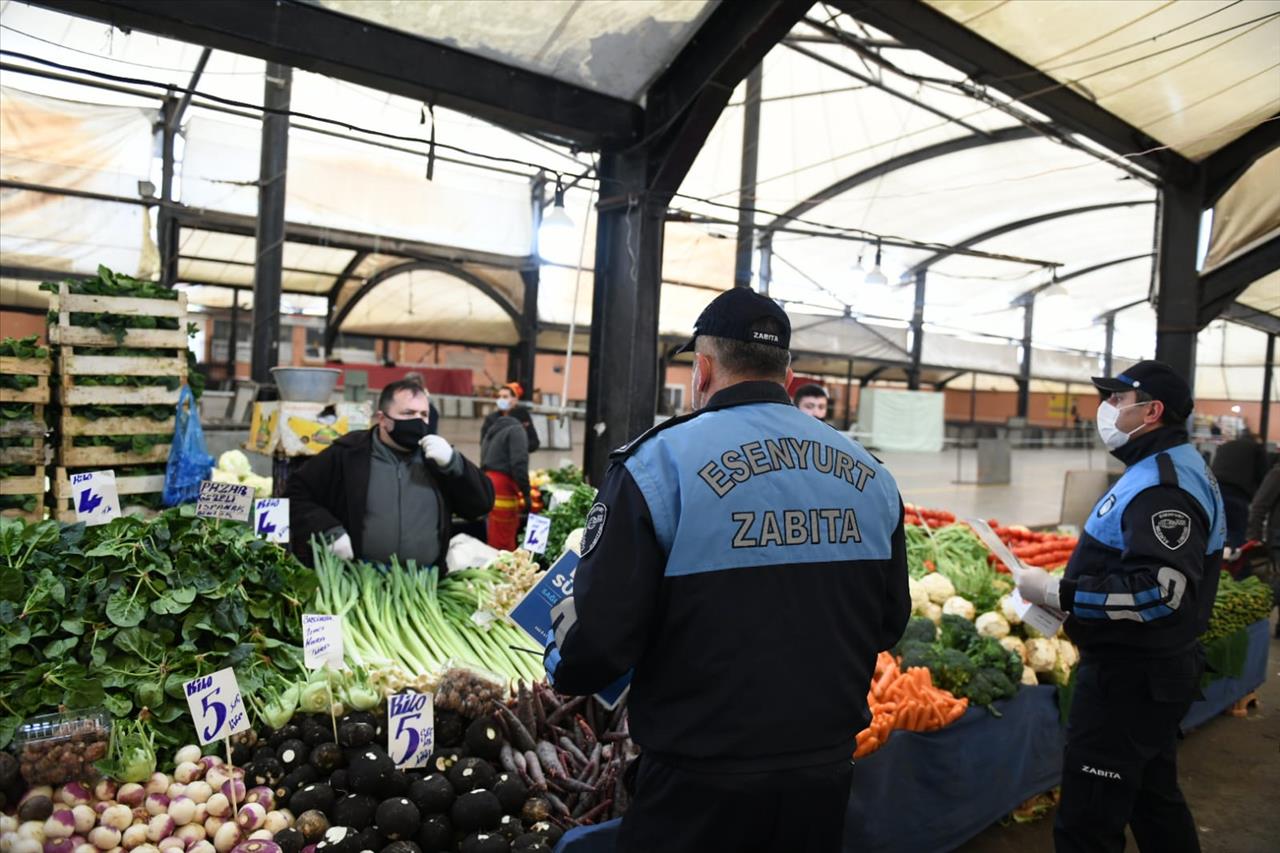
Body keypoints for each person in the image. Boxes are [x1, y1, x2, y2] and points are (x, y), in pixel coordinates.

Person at [543, 288, 910, 853]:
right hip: (824, 775)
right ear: (788, 375)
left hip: (700, 781)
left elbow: (599, 644)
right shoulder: (872, 476)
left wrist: (563, 654)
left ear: (704, 369)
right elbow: (888, 624)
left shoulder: (657, 464)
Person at [1014, 360, 1225, 853]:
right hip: (1149, 674)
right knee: (1153, 801)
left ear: (1151, 411)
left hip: (1130, 680)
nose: (1105, 409)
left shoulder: (1163, 486)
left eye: (1116, 399)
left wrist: (1059, 593)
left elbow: (1160, 593)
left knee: (1089, 821)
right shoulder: (1164, 467)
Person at [286, 377, 494, 569]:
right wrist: (328, 531)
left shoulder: (437, 458)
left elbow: (481, 505)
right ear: (383, 419)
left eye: (423, 415)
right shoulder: (348, 454)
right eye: (408, 414)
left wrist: (455, 464)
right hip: (361, 580)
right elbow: (296, 494)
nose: (418, 421)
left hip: (424, 584)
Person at [481, 401, 532, 551]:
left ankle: (493, 565)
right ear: (525, 422)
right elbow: (519, 463)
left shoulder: (494, 429)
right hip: (504, 486)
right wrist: (526, 493)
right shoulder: (517, 429)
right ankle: (504, 569)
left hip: (490, 483)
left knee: (494, 530)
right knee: (504, 535)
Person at [1211, 429, 1266, 548]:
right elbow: (1262, 475)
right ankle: (1236, 564)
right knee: (1236, 532)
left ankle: (1216, 564)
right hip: (1237, 493)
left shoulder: (1225, 446)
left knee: (1215, 531)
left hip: (1214, 491)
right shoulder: (1256, 448)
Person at [1245, 458, 1280, 632]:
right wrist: (1255, 538)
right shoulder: (1278, 473)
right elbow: (1259, 505)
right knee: (1276, 585)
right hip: (1278, 538)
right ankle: (1253, 620)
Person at [481, 382, 540, 452]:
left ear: (515, 399)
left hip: (518, 459)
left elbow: (534, 442)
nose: (500, 400)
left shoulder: (523, 416)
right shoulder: (491, 419)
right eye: (499, 397)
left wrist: (518, 448)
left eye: (505, 397)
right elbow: (484, 443)